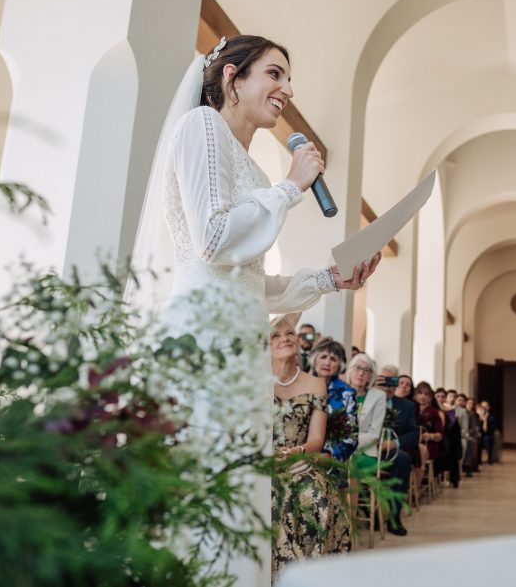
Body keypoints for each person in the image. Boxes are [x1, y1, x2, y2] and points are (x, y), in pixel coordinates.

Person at [132, 34, 379, 583]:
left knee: (238, 489)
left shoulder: (253, 172)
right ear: (231, 79)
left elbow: (250, 282)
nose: (286, 90)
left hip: (242, 347)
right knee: (202, 485)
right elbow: (214, 241)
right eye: (274, 74)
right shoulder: (201, 128)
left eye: (288, 79)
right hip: (203, 339)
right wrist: (293, 187)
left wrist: (329, 278)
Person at [269, 314, 351, 578]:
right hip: (260, 462)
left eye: (289, 333)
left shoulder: (316, 384)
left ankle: (308, 577)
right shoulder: (252, 381)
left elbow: (317, 439)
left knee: (315, 496)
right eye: (275, 335)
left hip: (299, 459)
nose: (285, 338)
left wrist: (296, 452)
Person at [373, 364, 417, 535]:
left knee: (403, 459)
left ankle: (393, 516)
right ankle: (369, 512)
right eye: (384, 382)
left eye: (393, 382)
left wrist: (393, 443)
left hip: (390, 451)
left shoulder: (406, 405)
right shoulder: (366, 397)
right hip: (366, 447)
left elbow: (413, 434)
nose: (388, 387)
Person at [311, 337, 357, 463]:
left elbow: (351, 435)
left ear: (339, 366)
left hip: (329, 458)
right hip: (298, 454)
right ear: (314, 360)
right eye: (323, 357)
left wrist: (330, 455)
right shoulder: (301, 386)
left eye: (333, 359)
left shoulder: (347, 393)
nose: (327, 363)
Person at [413, 382, 446, 473]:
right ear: (415, 395)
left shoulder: (434, 413)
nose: (423, 396)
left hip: (428, 445)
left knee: (420, 450)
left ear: (430, 398)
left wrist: (430, 436)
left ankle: (416, 485)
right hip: (411, 442)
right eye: (420, 393)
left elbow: (440, 435)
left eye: (426, 394)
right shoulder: (409, 408)